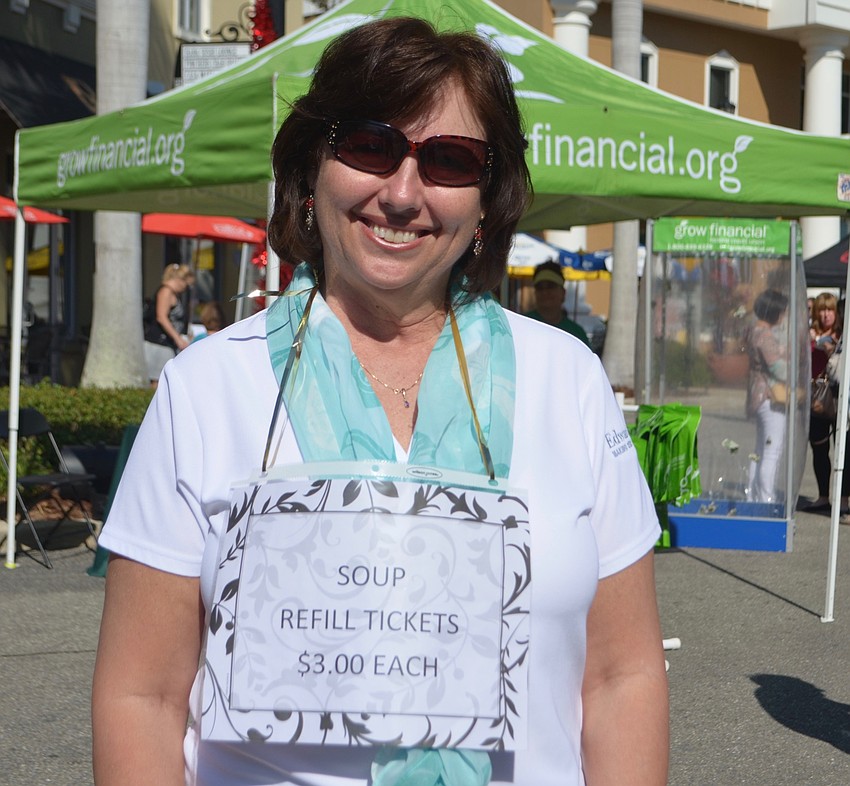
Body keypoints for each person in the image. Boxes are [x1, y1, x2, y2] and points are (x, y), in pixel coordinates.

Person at [93, 17, 668, 786]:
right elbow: (144, 698)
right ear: (310, 171)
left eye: (449, 160)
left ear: (488, 201)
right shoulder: (206, 389)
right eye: (369, 145)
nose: (401, 193)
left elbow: (621, 676)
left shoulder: (568, 382)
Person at [745, 288, 789, 504]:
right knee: (772, 451)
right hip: (771, 399)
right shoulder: (765, 335)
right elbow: (779, 369)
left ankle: (754, 496)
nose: (783, 316)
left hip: (757, 396)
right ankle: (766, 498)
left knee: (760, 451)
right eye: (782, 312)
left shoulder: (753, 331)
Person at [806, 291, 847, 511]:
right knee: (819, 450)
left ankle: (843, 498)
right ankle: (823, 495)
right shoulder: (809, 336)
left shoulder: (842, 335)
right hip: (817, 399)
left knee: (842, 449)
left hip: (839, 398)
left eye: (830, 310)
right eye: (822, 310)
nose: (826, 315)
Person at [143, 263, 194, 383]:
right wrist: (178, 339)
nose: (185, 288)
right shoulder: (166, 292)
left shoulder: (174, 294)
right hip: (159, 344)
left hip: (168, 344)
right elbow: (161, 317)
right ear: (180, 280)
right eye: (186, 284)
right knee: (158, 381)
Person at [523, 259, 590, 345]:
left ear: (563, 292)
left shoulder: (576, 333)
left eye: (550, 286)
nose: (545, 292)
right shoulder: (524, 324)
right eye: (540, 287)